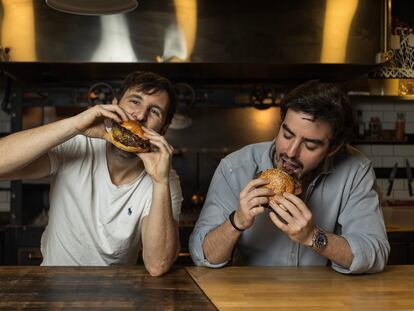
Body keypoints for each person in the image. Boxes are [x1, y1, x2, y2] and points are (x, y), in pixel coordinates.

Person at [189, 80, 390, 274]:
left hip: (326, 299)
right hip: (250, 296)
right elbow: (202, 256)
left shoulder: (355, 170)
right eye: (287, 135)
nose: (291, 152)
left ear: (333, 148)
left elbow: (375, 254)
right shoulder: (235, 168)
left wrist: (313, 236)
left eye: (310, 145)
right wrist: (237, 222)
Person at [0, 71, 183, 276]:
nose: (140, 116)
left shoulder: (165, 178)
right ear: (115, 104)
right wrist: (74, 125)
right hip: (55, 285)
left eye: (155, 111)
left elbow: (158, 265)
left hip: (119, 294)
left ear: (164, 129)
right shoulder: (78, 144)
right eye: (134, 101)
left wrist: (160, 181)